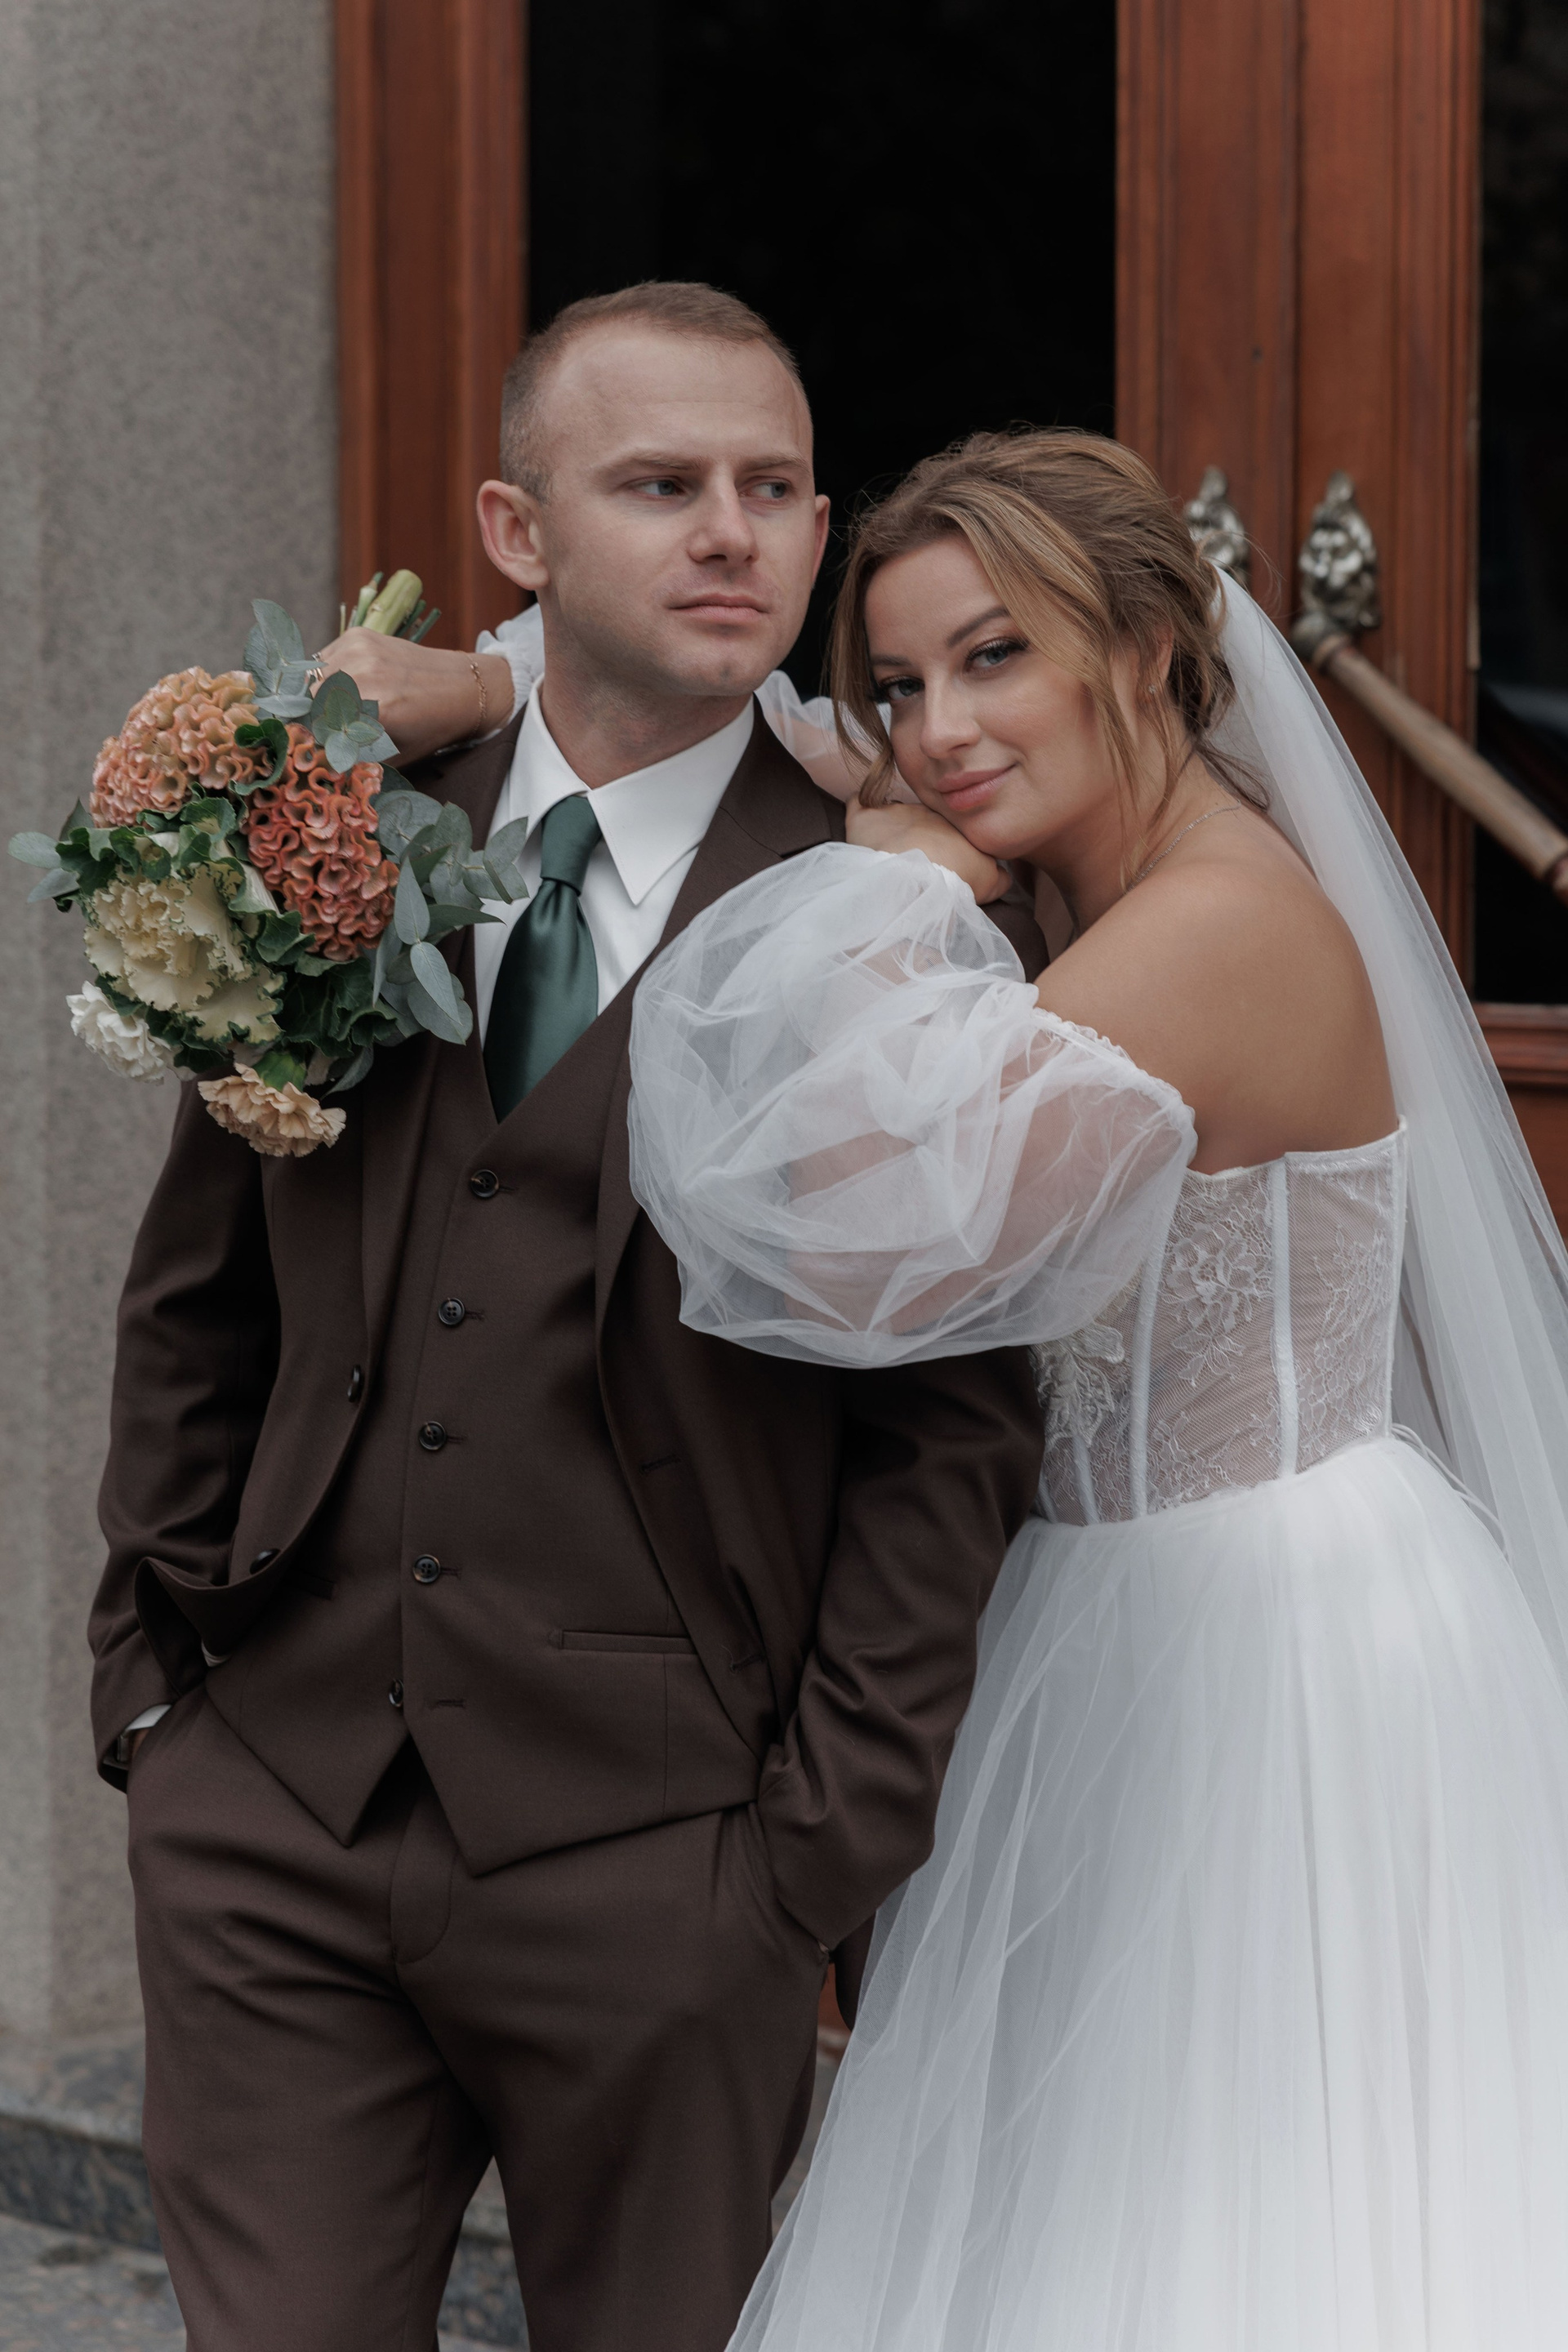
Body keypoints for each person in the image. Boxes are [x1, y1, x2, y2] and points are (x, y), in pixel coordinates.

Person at [89, 285, 1046, 2352]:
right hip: (274, 1821)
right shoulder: (333, 833)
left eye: (774, 489)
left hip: (669, 1863)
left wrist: (803, 1862)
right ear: (517, 535)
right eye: (662, 484)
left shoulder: (896, 906)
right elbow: (199, 1285)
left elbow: (952, 1431)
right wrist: (155, 1700)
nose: (732, 534)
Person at [624, 430, 1568, 2349]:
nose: (939, 730)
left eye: (997, 658)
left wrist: (889, 887)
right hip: (1111, 1597)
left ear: (1145, 649)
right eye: (901, 685)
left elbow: (832, 1231)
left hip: (1265, 1631)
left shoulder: (1214, 922)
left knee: (1240, 2189)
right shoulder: (1106, 887)